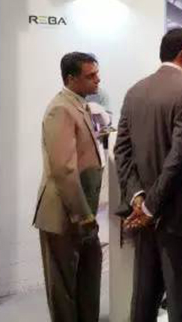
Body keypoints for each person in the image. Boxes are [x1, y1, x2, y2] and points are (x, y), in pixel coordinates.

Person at [114, 27, 182, 322]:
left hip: (144, 215)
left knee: (144, 299)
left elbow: (122, 151)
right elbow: (180, 157)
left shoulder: (135, 91)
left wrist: (138, 197)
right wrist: (150, 206)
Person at [32, 52, 104, 322]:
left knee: (88, 278)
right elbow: (64, 169)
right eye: (91, 75)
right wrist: (83, 215)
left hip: (80, 210)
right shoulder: (60, 109)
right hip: (63, 213)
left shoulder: (79, 105)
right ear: (71, 79)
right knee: (63, 287)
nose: (98, 79)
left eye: (97, 73)